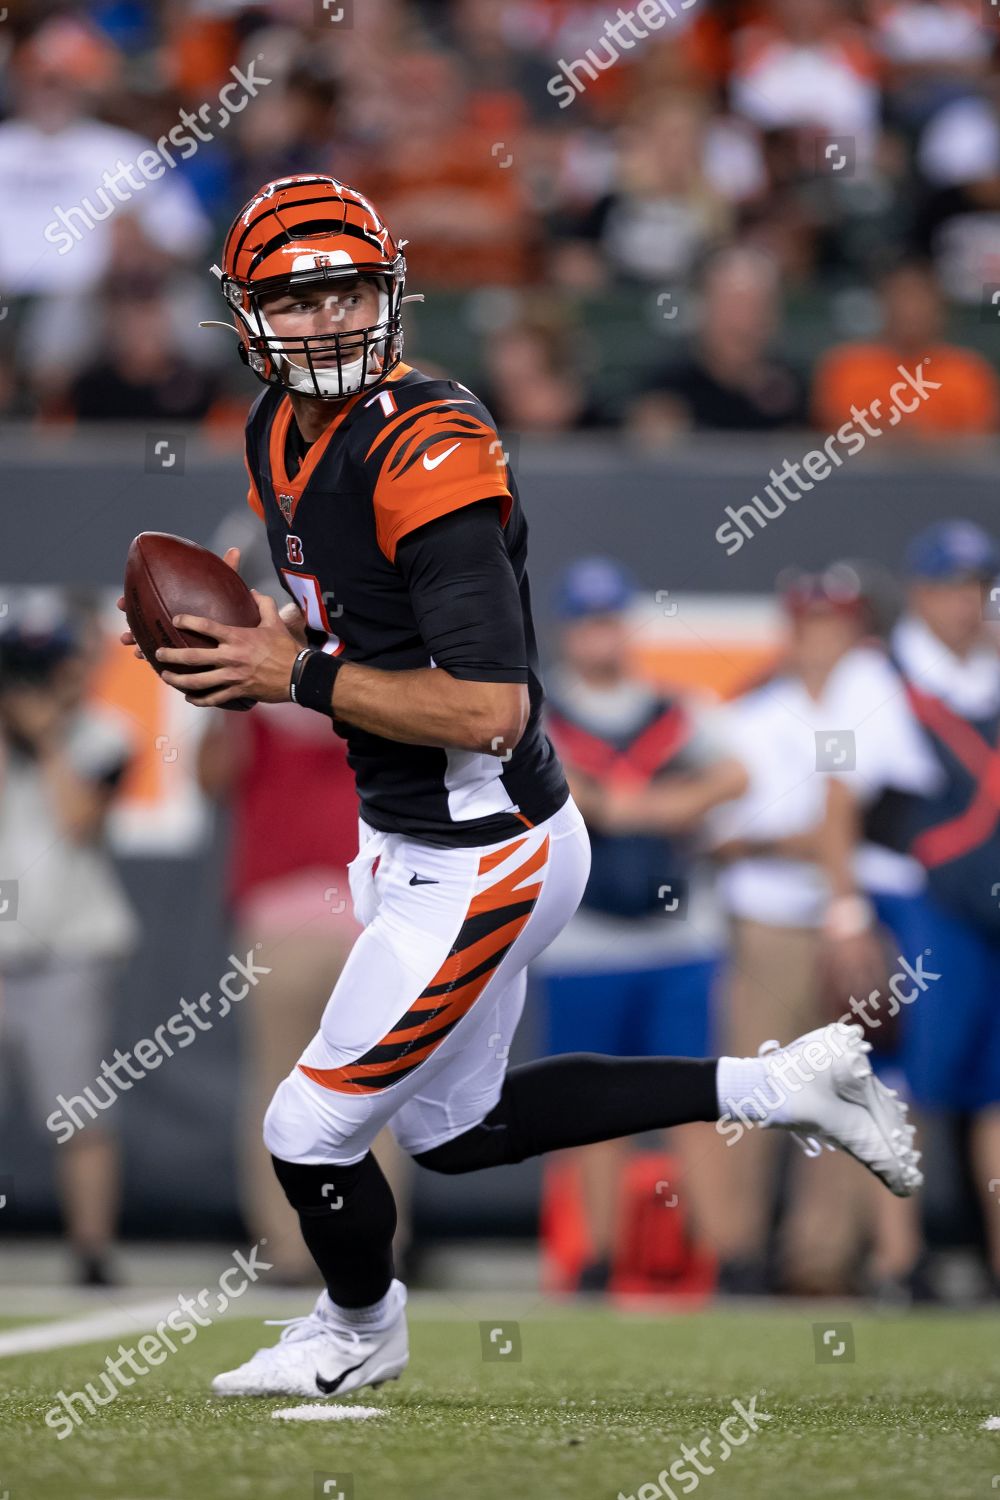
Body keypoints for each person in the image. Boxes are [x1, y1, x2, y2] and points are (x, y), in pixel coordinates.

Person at [118, 174, 921, 1398]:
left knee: (306, 1129)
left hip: (488, 839)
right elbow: (347, 627)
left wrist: (293, 672)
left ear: (389, 296)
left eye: (347, 292)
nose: (328, 320)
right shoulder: (278, 431)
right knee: (458, 1133)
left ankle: (356, 1330)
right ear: (246, 317)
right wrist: (248, 644)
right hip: (413, 833)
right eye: (298, 297)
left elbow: (491, 708)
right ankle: (787, 1081)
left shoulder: (426, 450)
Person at [535, 556, 746, 1290]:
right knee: (587, 1107)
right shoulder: (540, 709)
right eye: (587, 623)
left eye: (609, 621)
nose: (599, 637)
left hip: (675, 940)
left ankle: (726, 1255)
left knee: (696, 1102)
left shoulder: (670, 707)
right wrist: (617, 799)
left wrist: (654, 806)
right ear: (569, 632)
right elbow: (546, 780)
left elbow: (733, 774)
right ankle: (593, 1254)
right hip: (581, 942)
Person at [820, 521, 1000, 1296]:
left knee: (994, 1086)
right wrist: (848, 912)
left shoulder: (991, 671)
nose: (966, 604)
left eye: (976, 587)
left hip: (983, 902)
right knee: (903, 1075)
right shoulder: (876, 677)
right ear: (922, 594)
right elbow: (837, 801)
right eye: (951, 587)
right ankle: (900, 1259)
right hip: (911, 898)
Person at [0, 591, 139, 1285]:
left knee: (80, 1106)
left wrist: (48, 736)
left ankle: (91, 1250)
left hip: (69, 949)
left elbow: (80, 818)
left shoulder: (103, 733)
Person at [812, 260, 1000, 437]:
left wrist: (926, 440)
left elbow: (979, 445)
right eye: (901, 296)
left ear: (940, 309)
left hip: (948, 471)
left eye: (920, 299)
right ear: (882, 304)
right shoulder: (845, 368)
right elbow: (835, 438)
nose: (910, 309)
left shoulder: (969, 371)